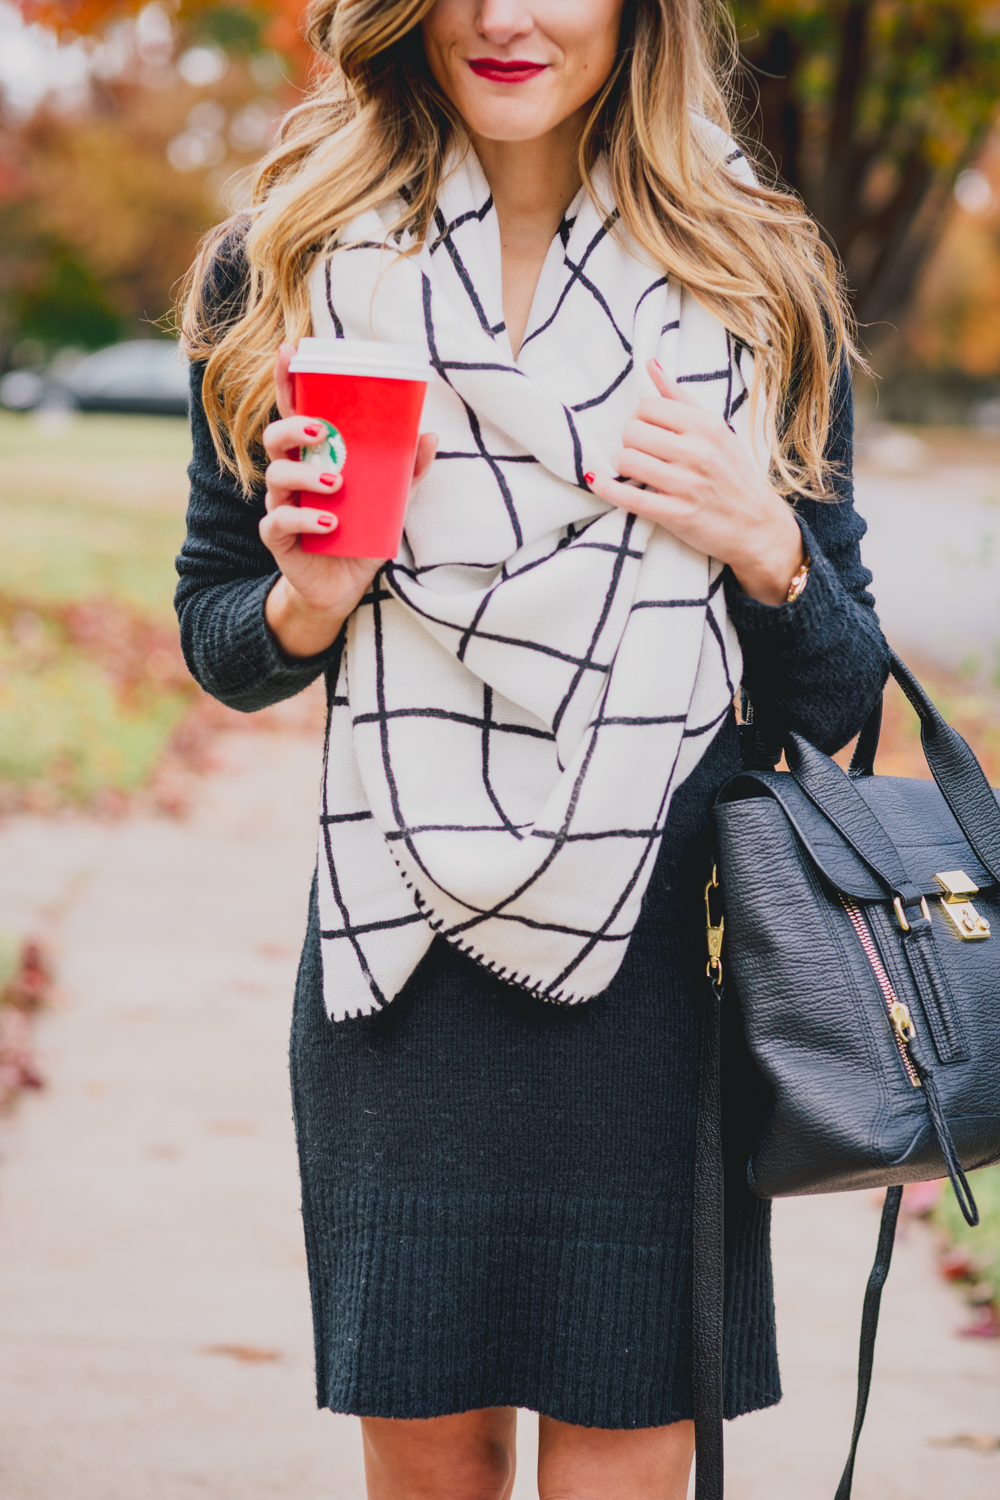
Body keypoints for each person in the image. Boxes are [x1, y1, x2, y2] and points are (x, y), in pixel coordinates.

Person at [175, 2, 889, 1496]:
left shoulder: (751, 281)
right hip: (399, 955)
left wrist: (767, 547)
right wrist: (306, 603)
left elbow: (838, 697)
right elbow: (217, 630)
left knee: (624, 1467)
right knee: (428, 1470)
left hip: (655, 965)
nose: (505, 16)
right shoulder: (291, 266)